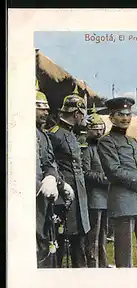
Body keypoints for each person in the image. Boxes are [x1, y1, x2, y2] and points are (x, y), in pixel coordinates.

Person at [97, 97, 137, 268]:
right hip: (123, 203)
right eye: (120, 114)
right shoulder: (106, 142)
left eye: (128, 114)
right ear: (111, 117)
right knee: (124, 252)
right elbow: (114, 171)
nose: (125, 118)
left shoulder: (133, 142)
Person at [47, 85, 91, 268]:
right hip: (64, 199)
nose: (84, 119)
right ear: (77, 113)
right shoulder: (55, 135)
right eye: (83, 115)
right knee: (60, 247)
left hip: (78, 199)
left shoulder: (72, 135)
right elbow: (49, 165)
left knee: (78, 245)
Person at [35, 80, 75, 268]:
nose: (45, 112)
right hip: (30, 199)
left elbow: (49, 162)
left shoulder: (42, 135)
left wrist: (56, 180)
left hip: (45, 200)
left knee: (46, 243)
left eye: (46, 108)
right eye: (40, 107)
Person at [82, 108, 110, 268]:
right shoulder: (87, 151)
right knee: (93, 236)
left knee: (104, 235)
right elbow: (85, 173)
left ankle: (104, 264)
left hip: (107, 198)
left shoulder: (105, 150)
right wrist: (104, 178)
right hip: (94, 198)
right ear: (89, 131)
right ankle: (93, 266)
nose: (99, 133)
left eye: (101, 129)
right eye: (95, 130)